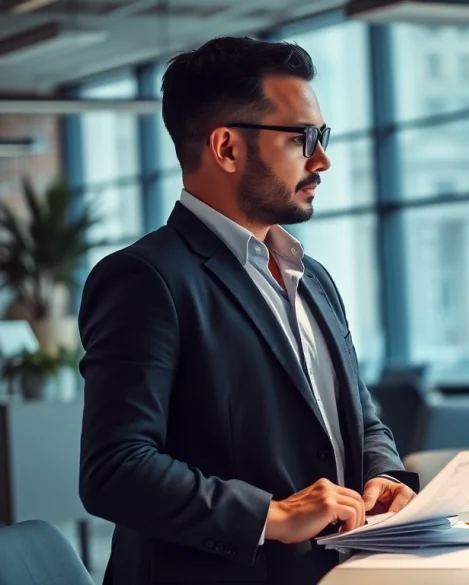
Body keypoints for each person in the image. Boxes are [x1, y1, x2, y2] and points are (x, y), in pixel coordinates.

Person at [77, 36, 417, 585]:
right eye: (302, 138)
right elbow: (115, 469)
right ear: (228, 148)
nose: (322, 159)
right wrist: (272, 516)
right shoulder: (146, 278)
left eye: (322, 136)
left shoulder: (316, 280)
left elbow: (361, 419)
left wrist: (383, 474)